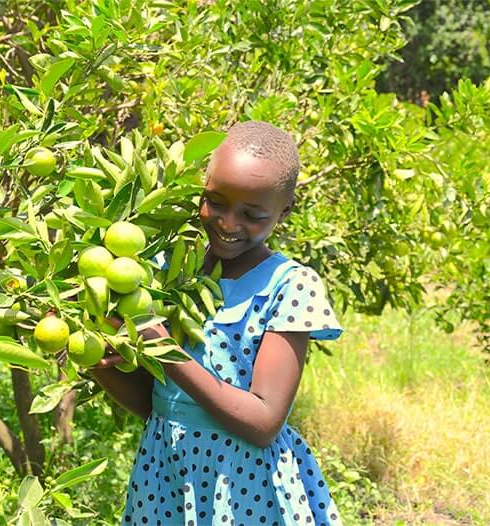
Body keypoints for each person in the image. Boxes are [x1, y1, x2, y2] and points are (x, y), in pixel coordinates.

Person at [91, 121, 344, 526]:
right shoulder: (169, 272)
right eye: (216, 202)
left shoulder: (291, 286)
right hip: (166, 476)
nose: (228, 223)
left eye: (252, 214)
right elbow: (159, 404)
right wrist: (96, 360)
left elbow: (263, 422)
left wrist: (161, 346)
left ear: (284, 211)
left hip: (245, 486)